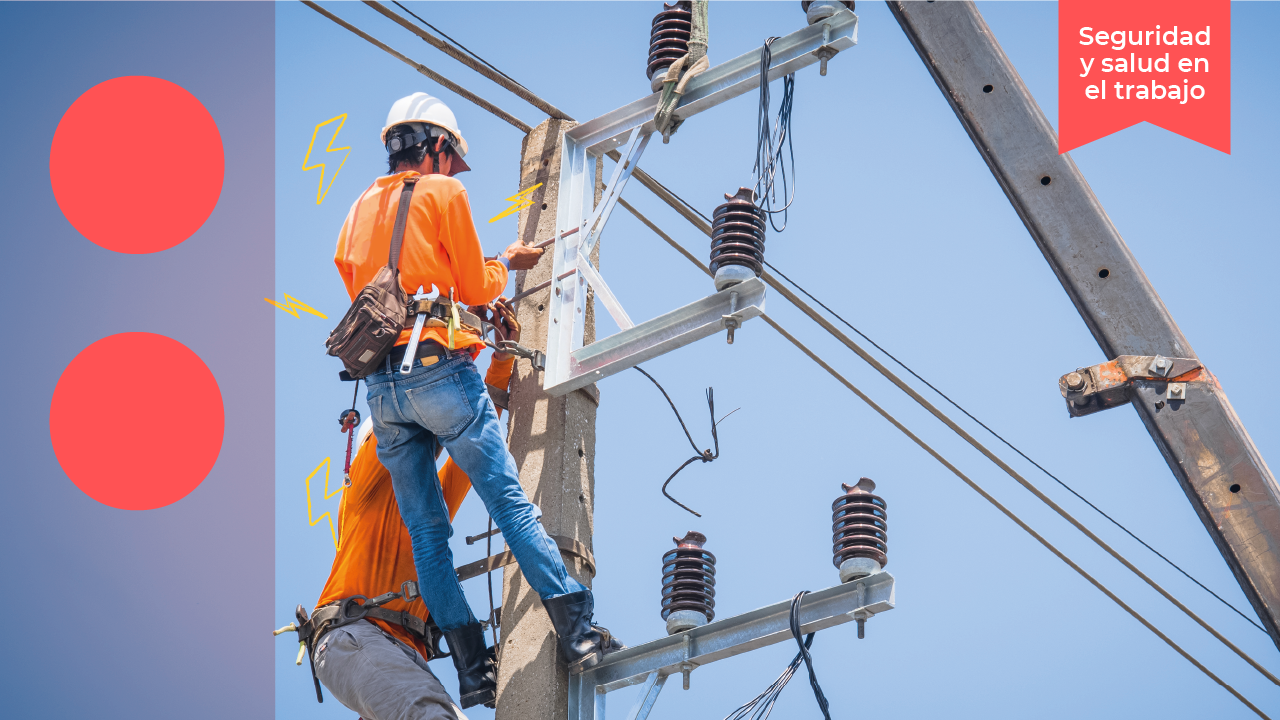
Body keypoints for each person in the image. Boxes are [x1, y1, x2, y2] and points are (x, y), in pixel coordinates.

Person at [332, 93, 617, 709]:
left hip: (382, 387)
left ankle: (471, 669)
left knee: (428, 536)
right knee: (511, 506)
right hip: (438, 369)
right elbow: (475, 284)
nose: (456, 171)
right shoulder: (445, 196)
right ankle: (577, 631)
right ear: (436, 145)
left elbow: (362, 279)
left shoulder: (357, 209)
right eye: (453, 158)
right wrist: (500, 268)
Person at [303, 302, 521, 720]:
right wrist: (460, 342)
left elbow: (470, 432)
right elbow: (425, 399)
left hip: (400, 654)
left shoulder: (428, 503)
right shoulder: (367, 479)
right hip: (357, 638)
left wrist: (502, 361)